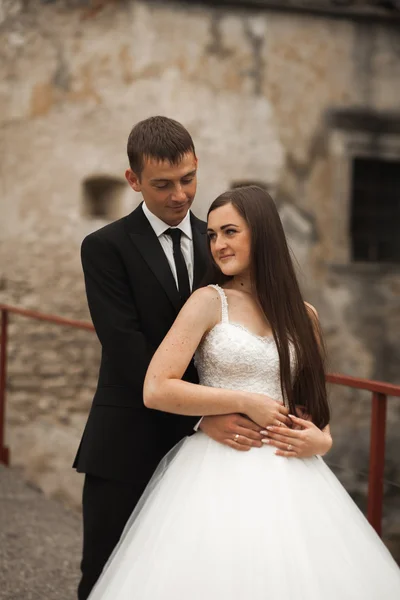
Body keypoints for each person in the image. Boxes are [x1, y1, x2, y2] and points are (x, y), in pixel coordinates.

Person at [87, 185, 400, 599]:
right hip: (216, 468)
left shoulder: (306, 317)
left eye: (230, 232)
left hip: (292, 478)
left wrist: (321, 439)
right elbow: (156, 387)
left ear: (262, 233)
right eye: (212, 235)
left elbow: (315, 410)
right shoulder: (208, 301)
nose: (218, 244)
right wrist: (243, 401)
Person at [73, 118, 298, 600]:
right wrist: (203, 416)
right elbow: (126, 347)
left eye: (189, 179)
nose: (180, 194)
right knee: (106, 575)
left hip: (212, 457)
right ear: (133, 180)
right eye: (163, 184)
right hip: (128, 440)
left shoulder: (220, 242)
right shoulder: (104, 248)